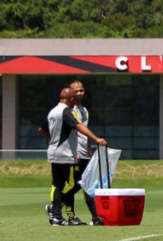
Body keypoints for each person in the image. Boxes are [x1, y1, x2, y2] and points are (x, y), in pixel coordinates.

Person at [40, 87, 107, 226]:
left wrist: (54, 140)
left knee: (57, 184)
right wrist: (96, 139)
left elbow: (41, 129)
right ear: (71, 100)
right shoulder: (67, 111)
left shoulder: (53, 111)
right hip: (65, 154)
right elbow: (79, 125)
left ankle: (57, 219)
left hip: (53, 153)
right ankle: (55, 208)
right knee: (77, 183)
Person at [68, 80, 102, 226]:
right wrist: (73, 151)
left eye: (81, 90)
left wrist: (89, 149)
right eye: (76, 91)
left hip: (85, 153)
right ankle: (64, 212)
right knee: (73, 185)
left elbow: (84, 132)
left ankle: (95, 217)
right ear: (70, 92)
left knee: (88, 184)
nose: (79, 93)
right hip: (73, 154)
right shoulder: (68, 110)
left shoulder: (84, 110)